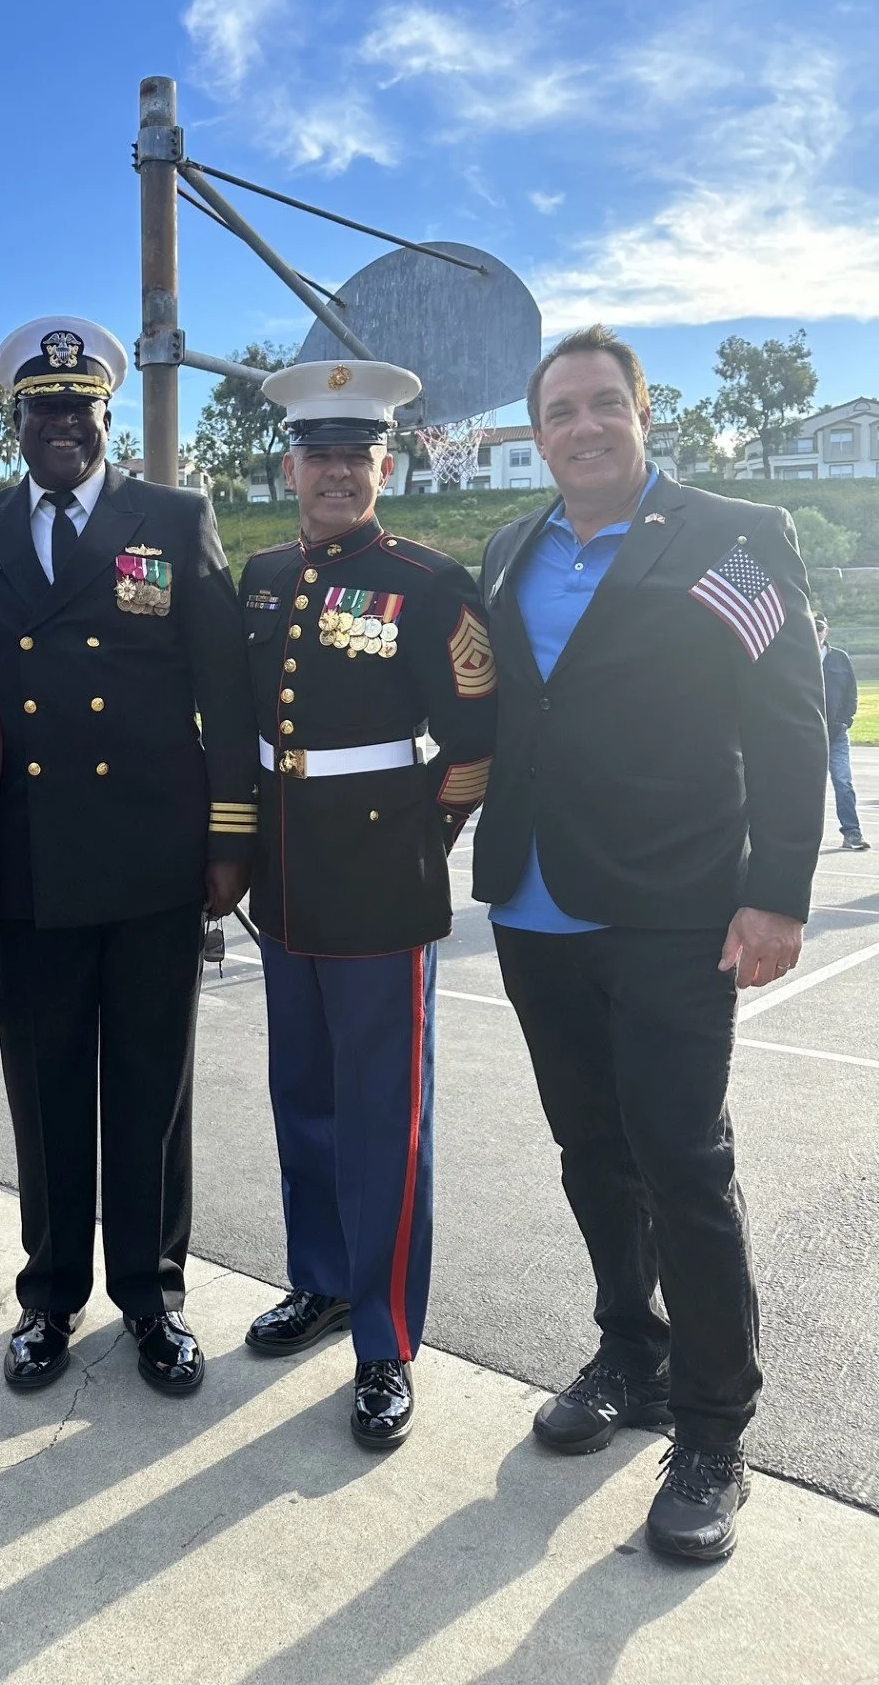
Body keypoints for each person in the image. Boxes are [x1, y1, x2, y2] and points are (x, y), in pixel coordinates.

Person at [473, 324, 827, 1561]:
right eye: (557, 412)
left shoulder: (732, 537)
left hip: (676, 907)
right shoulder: (509, 545)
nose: (580, 427)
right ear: (536, 433)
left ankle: (716, 1432)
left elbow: (786, 721)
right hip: (532, 906)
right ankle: (633, 1353)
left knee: (682, 1161)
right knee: (590, 1153)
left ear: (641, 411)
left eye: (599, 405)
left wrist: (777, 891)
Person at [0, 315, 256, 1396]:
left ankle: (153, 1297)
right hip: (28, 863)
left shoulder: (170, 516)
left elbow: (225, 688)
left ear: (106, 414)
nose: (60, 425)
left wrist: (230, 836)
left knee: (151, 1089)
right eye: (41, 409)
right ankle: (50, 1295)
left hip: (155, 858)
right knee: (45, 1088)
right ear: (14, 420)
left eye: (79, 407)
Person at [237, 361, 497, 1449]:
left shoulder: (430, 583)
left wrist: (417, 845)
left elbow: (478, 740)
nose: (336, 472)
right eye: (318, 454)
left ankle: (386, 1340)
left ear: (384, 464)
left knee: (385, 1120)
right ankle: (323, 1281)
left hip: (382, 884)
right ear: (290, 464)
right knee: (302, 1095)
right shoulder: (255, 574)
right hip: (284, 877)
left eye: (356, 455)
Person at [815, 615, 868, 851]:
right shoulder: (798, 657)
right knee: (805, 786)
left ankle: (852, 833)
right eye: (811, 627)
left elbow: (851, 692)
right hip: (807, 734)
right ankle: (801, 837)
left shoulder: (840, 658)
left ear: (827, 631)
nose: (815, 632)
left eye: (819, 628)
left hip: (837, 734)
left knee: (843, 782)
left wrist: (846, 721)